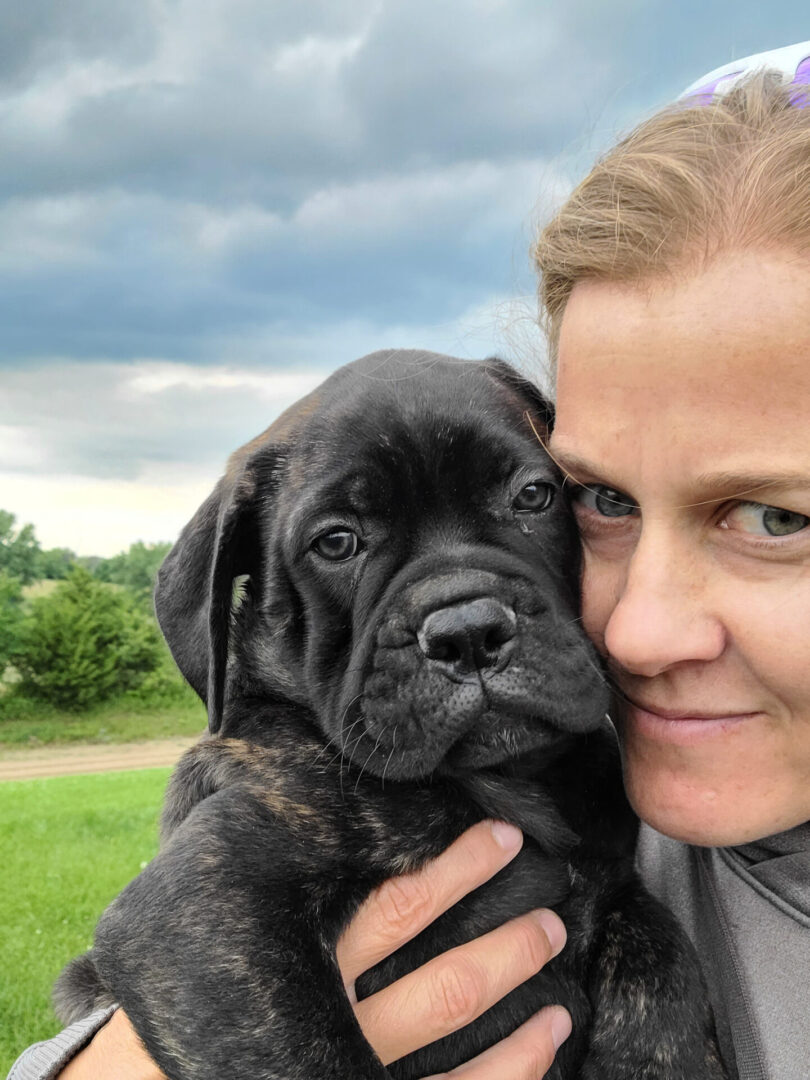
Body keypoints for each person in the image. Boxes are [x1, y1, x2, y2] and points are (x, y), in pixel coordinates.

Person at [9, 40, 810, 1080]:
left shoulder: (637, 768)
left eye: (777, 518)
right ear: (225, 609)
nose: (644, 630)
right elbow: (171, 943)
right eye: (602, 499)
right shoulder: (626, 748)